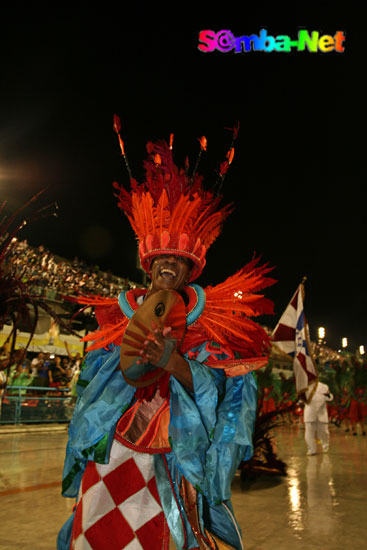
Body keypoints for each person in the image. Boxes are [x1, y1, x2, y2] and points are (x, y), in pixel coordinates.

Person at [58, 129, 275, 550]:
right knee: (97, 534)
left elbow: (228, 398)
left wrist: (175, 362)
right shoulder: (115, 321)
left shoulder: (210, 329)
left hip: (171, 460)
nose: (169, 265)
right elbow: (89, 393)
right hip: (110, 455)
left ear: (191, 268)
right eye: (161, 258)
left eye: (179, 259)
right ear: (148, 264)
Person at [304, 379, 333, 455]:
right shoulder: (304, 387)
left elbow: (330, 398)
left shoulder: (324, 386)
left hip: (321, 413)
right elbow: (300, 399)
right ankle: (311, 449)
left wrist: (328, 395)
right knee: (309, 432)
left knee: (324, 432)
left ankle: (325, 444)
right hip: (309, 413)